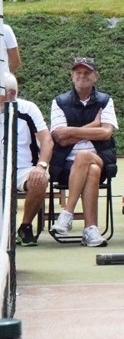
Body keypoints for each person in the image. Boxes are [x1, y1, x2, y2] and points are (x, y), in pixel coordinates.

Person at [49, 57, 118, 247]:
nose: (82, 76)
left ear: (96, 76)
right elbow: (59, 138)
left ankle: (67, 213)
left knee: (85, 156)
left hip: (101, 159)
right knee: (91, 168)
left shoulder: (105, 100)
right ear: (72, 76)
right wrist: (94, 125)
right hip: (65, 166)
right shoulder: (59, 102)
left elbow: (105, 133)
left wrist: (71, 130)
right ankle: (90, 230)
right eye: (78, 72)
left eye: (87, 72)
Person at [2, 73, 52, 246]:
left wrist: (41, 165)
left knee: (40, 179)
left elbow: (47, 140)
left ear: (12, 93)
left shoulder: (28, 109)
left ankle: (25, 227)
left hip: (24, 169)